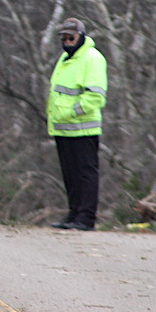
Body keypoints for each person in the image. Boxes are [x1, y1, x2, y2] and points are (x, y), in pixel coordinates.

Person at [47, 18, 107, 231]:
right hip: (63, 129)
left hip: (83, 127)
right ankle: (73, 214)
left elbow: (96, 97)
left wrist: (72, 113)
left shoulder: (92, 58)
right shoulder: (65, 58)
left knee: (86, 173)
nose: (67, 41)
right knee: (70, 174)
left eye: (71, 37)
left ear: (81, 37)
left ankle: (86, 218)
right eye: (63, 37)